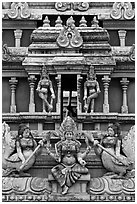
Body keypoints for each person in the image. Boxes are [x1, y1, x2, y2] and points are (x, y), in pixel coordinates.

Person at [45, 116, 90, 195]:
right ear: (64, 135)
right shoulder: (60, 144)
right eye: (67, 134)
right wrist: (50, 153)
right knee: (53, 170)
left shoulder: (76, 144)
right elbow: (58, 158)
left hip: (74, 166)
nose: (69, 136)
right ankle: (64, 186)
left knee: (85, 170)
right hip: (63, 165)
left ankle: (69, 171)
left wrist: (84, 156)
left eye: (70, 134)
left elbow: (79, 156)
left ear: (73, 135)